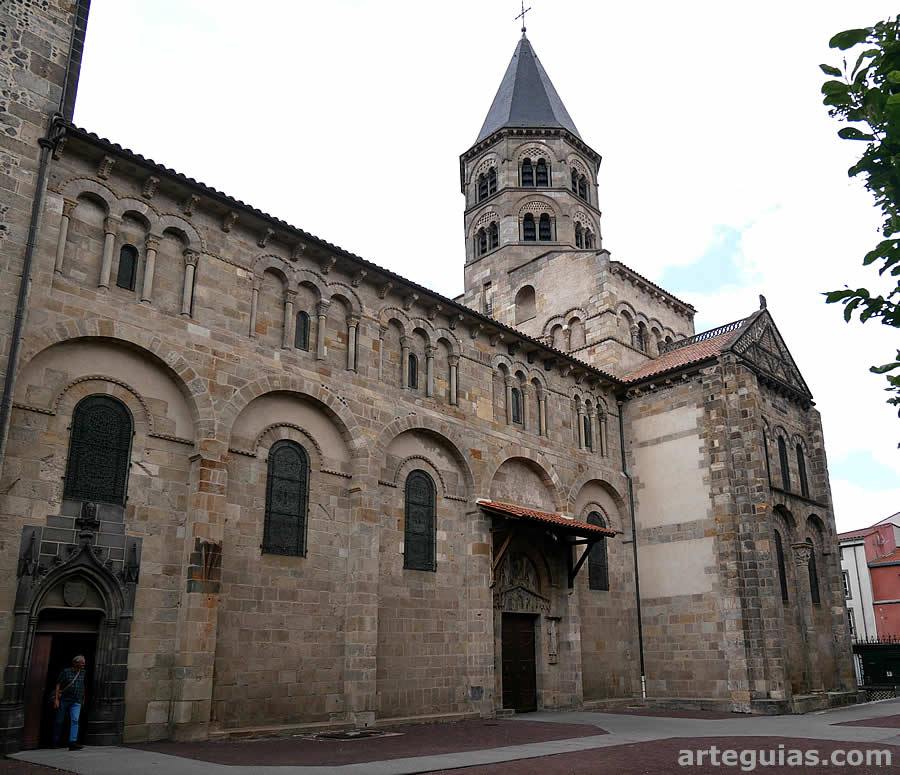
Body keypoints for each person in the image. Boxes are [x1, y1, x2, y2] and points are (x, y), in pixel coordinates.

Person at [52, 655, 86, 751]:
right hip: (64, 700)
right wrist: (56, 699)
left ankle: (73, 742)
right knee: (59, 721)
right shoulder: (66, 672)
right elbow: (58, 684)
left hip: (76, 700)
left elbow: (82, 684)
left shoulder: (83, 672)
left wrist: (83, 697)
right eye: (82, 663)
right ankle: (55, 741)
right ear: (76, 663)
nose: (84, 664)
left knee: (75, 720)